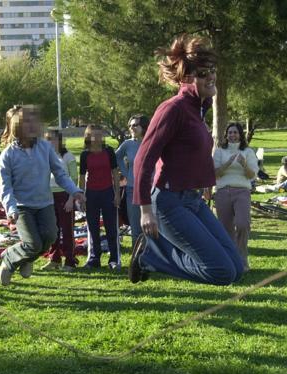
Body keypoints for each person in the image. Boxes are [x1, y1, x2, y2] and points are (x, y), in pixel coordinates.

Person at [130, 34, 244, 285]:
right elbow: (143, 160)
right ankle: (150, 256)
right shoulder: (173, 109)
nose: (211, 76)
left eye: (212, 70)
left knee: (236, 267)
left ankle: (154, 253)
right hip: (169, 203)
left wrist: (204, 184)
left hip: (192, 200)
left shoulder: (197, 109)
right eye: (204, 73)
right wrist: (145, 210)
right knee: (221, 272)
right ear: (187, 78)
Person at [0, 105, 85, 286]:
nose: (31, 125)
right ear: (16, 126)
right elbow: (6, 188)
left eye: (33, 122)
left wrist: (75, 191)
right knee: (34, 244)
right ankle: (9, 259)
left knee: (50, 238)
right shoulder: (8, 155)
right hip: (22, 207)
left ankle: (25, 258)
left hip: (45, 203)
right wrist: (11, 209)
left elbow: (60, 174)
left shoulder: (45, 147)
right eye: (26, 122)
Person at [213, 123, 259, 272]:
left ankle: (242, 259)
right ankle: (231, 262)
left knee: (242, 224)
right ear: (226, 135)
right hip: (222, 192)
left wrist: (244, 165)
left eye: (235, 133)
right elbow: (215, 173)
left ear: (240, 135)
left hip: (242, 192)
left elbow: (252, 175)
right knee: (226, 229)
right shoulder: (219, 151)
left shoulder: (248, 152)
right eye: (230, 132)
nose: (232, 135)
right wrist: (228, 163)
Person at [79, 125, 122, 270]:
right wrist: (82, 197)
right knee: (93, 228)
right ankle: (94, 259)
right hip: (91, 195)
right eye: (93, 135)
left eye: (99, 134)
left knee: (111, 227)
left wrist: (117, 194)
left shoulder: (109, 151)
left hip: (108, 193)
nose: (97, 138)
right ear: (88, 137)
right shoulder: (85, 154)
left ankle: (114, 259)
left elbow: (115, 174)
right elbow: (82, 177)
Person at [42, 128, 79, 272]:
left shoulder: (67, 156)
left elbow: (74, 178)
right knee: (53, 230)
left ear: (60, 140)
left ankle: (70, 261)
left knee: (67, 229)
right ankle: (54, 259)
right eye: (47, 139)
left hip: (65, 196)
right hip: (49, 197)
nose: (50, 142)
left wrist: (71, 199)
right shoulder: (44, 157)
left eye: (52, 139)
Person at [115, 114, 149, 248]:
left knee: (152, 226)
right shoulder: (127, 144)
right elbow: (116, 158)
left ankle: (154, 257)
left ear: (144, 126)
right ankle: (138, 260)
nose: (131, 128)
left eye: (135, 125)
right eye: (130, 125)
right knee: (136, 228)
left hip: (150, 189)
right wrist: (126, 173)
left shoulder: (151, 142)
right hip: (132, 189)